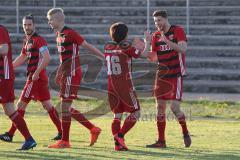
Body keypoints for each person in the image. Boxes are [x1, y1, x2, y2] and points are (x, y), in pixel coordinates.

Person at [0, 15, 62, 143]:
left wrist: (36, 73)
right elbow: (22, 57)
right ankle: (62, 131)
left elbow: (47, 58)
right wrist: (10, 67)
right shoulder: (27, 41)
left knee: (20, 105)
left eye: (29, 25)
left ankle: (11, 134)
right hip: (39, 78)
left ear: (34, 26)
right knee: (48, 105)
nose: (27, 27)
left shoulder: (38, 40)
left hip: (35, 78)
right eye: (24, 25)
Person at [47, 8, 103, 148]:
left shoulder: (70, 33)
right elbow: (63, 58)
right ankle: (92, 129)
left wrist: (103, 57)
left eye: (51, 19)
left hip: (72, 74)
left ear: (58, 19)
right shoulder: (58, 34)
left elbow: (87, 45)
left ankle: (65, 141)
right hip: (66, 74)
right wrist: (59, 73)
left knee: (64, 107)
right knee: (64, 107)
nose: (49, 22)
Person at [145, 10, 191, 148]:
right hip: (161, 76)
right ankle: (161, 141)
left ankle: (185, 132)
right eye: (155, 21)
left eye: (159, 20)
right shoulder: (155, 35)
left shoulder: (177, 30)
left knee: (174, 108)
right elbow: (153, 58)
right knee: (159, 107)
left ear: (166, 19)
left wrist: (167, 41)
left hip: (176, 73)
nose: (157, 24)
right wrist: (146, 43)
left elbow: (183, 49)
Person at [104, 22, 151, 151]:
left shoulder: (107, 47)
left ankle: (118, 145)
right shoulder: (127, 47)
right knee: (136, 112)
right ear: (125, 35)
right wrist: (147, 42)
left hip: (111, 85)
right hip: (124, 85)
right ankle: (120, 136)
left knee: (117, 115)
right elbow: (145, 55)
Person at [0, 24, 37, 150]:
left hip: (3, 76)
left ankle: (28, 138)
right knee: (9, 110)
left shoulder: (0, 29)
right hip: (4, 76)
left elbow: (4, 49)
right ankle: (29, 139)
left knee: (9, 109)